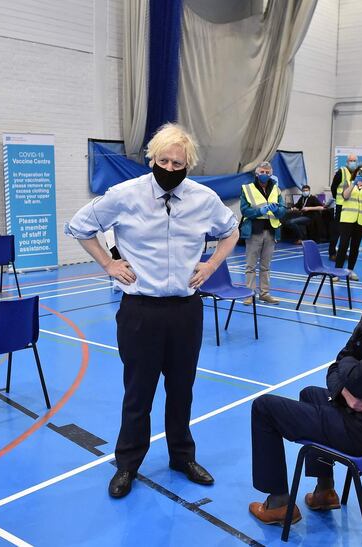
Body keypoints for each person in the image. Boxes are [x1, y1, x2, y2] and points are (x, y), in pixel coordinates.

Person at [65, 123, 239, 499]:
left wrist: (210, 266)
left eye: (179, 162)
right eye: (164, 160)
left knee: (182, 390)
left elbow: (231, 230)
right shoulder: (124, 195)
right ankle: (127, 464)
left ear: (188, 163)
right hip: (140, 310)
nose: (171, 168)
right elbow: (79, 227)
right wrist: (109, 265)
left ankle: (182, 457)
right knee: (138, 392)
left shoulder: (204, 198)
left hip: (185, 310)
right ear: (152, 159)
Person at [248, 258, 362, 526]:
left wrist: (350, 381)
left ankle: (278, 504)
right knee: (311, 393)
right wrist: (347, 393)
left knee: (265, 407)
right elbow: (341, 361)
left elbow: (355, 376)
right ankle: (324, 490)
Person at [240, 162, 287, 305]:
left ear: (271, 173)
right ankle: (249, 294)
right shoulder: (247, 188)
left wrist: (276, 210)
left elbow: (283, 210)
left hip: (271, 231)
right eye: (262, 172)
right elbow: (244, 210)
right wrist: (259, 211)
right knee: (251, 266)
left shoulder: (276, 189)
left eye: (267, 172)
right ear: (256, 173)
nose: (264, 175)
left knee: (266, 266)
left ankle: (264, 293)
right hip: (254, 231)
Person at [334, 165, 362, 281]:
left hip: (361, 220)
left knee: (355, 247)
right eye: (360, 171)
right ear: (356, 173)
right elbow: (345, 196)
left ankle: (350, 270)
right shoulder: (348, 183)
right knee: (343, 245)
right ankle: (337, 272)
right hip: (347, 219)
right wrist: (353, 184)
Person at [328, 154, 357, 260]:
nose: (353, 162)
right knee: (337, 230)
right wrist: (338, 198)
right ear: (347, 161)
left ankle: (342, 252)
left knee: (346, 232)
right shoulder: (341, 171)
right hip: (340, 205)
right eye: (351, 160)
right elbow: (333, 187)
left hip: (351, 207)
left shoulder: (357, 173)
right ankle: (332, 253)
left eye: (354, 160)